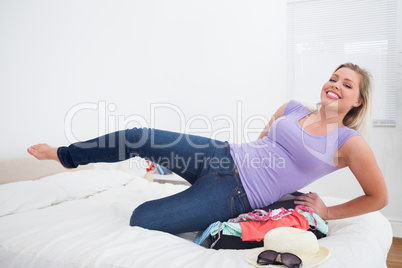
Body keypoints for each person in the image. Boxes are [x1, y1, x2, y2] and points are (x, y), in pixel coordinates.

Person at [28, 62, 388, 235]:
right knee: (139, 135)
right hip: (218, 154)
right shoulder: (292, 108)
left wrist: (327, 211)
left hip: (234, 194)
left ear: (358, 101)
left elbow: (378, 197)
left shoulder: (349, 143)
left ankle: (196, 195)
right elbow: (262, 145)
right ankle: (67, 156)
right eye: (333, 77)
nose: (335, 85)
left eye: (347, 84)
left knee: (142, 219)